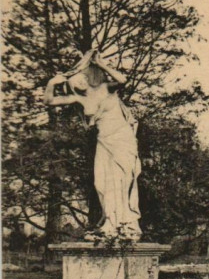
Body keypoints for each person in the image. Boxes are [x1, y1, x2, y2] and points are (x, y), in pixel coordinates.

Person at [44, 50, 142, 241]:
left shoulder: (106, 87)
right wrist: (51, 83)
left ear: (86, 77)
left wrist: (102, 64)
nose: (77, 83)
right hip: (104, 140)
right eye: (73, 83)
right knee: (101, 182)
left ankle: (125, 224)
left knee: (122, 180)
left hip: (122, 138)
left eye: (79, 78)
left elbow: (123, 80)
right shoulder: (79, 99)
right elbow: (49, 101)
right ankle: (110, 222)